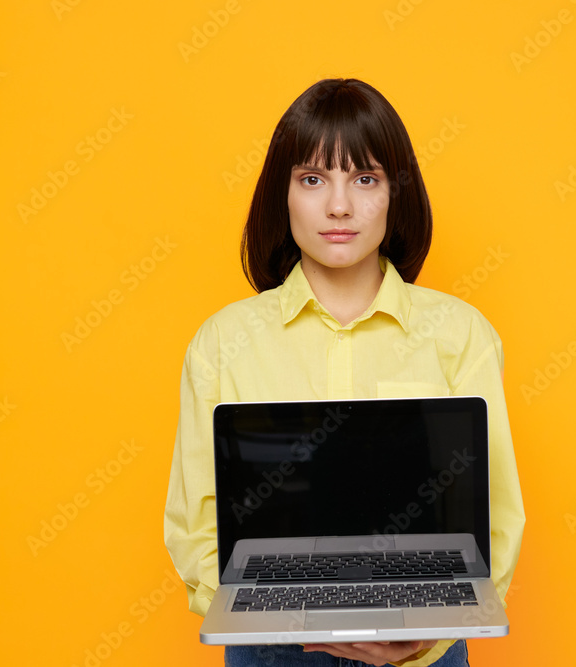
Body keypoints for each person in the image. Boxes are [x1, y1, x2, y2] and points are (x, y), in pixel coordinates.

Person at [164, 78, 525, 667]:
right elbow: (195, 518)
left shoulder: (460, 336)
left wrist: (424, 640)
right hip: (271, 651)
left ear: (394, 194)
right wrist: (272, 619)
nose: (339, 205)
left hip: (424, 648)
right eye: (313, 179)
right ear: (282, 195)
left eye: (364, 178)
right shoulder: (223, 343)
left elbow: (497, 514)